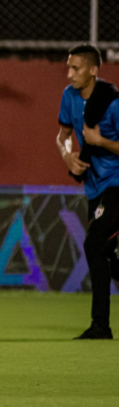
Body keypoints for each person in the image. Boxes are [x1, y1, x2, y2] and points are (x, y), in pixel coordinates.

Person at [56, 44, 119, 340]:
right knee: (107, 255)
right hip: (94, 186)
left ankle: (100, 326)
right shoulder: (69, 98)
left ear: (94, 70)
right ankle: (101, 325)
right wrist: (68, 157)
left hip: (116, 186)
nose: (69, 74)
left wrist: (101, 141)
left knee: (95, 245)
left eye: (75, 68)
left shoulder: (113, 103)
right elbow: (62, 137)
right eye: (69, 68)